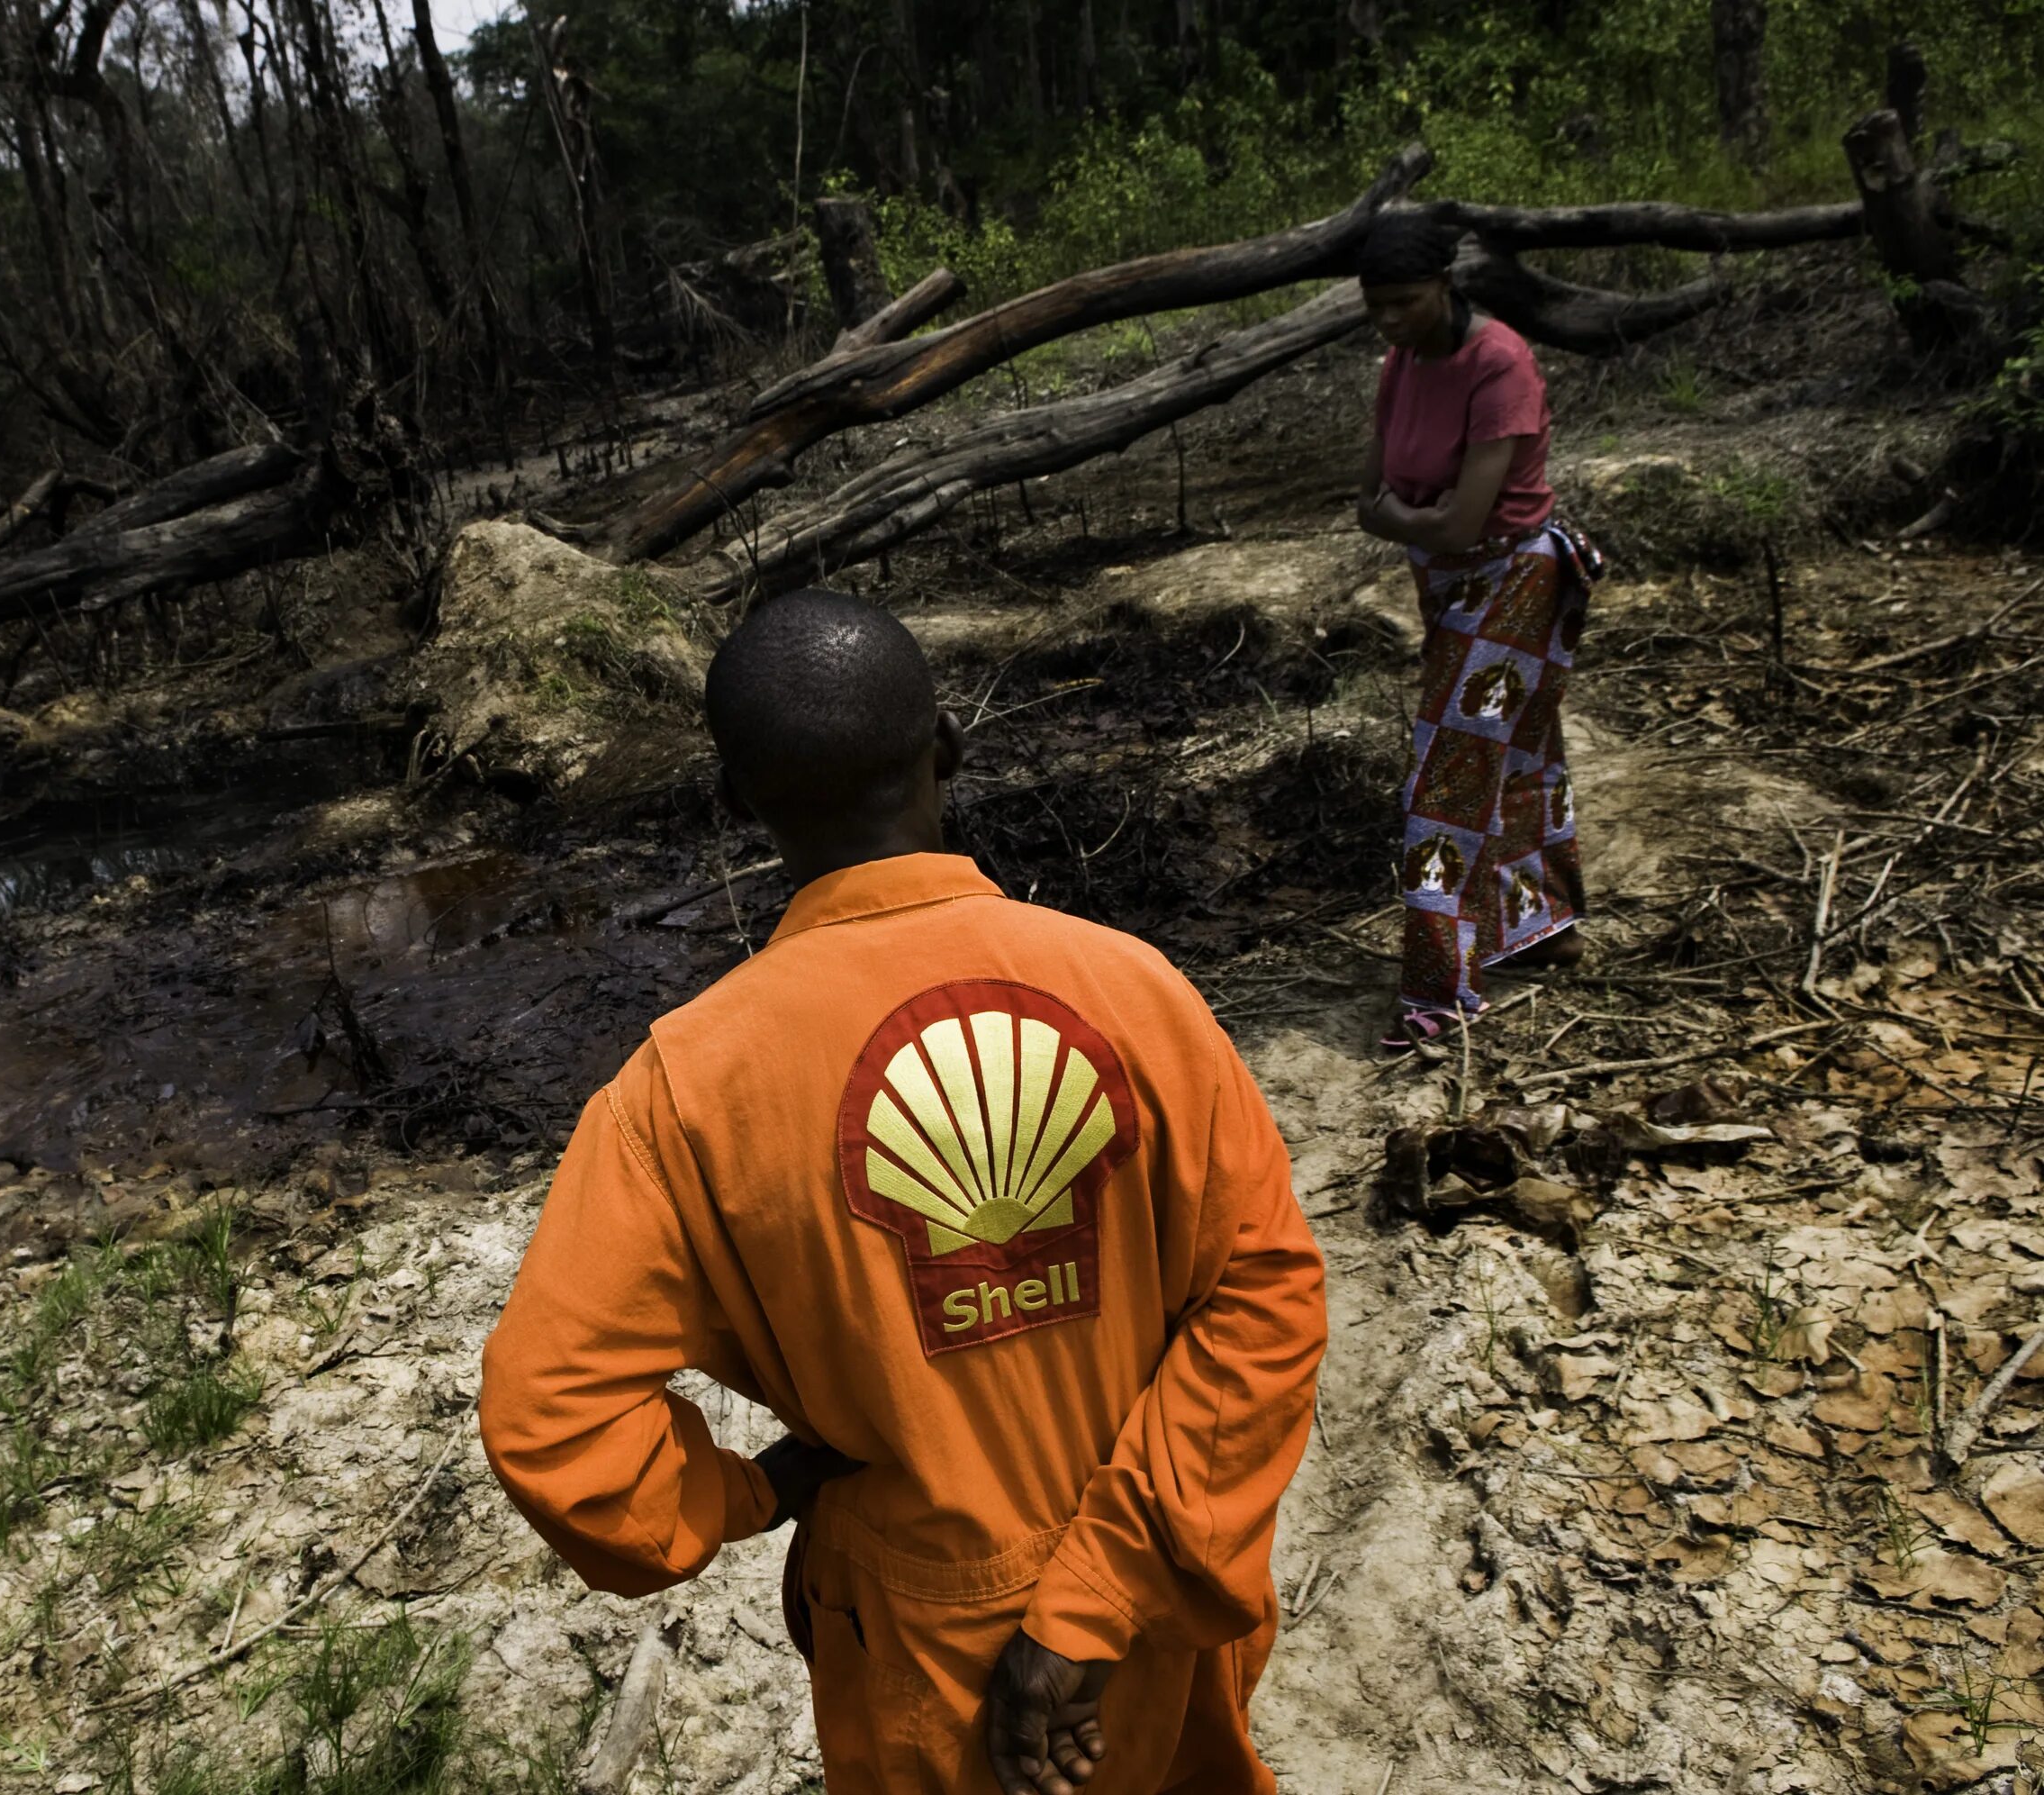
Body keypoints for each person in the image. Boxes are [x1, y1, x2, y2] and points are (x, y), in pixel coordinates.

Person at [479, 590, 1327, 1795]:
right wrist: (1096, 1601)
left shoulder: (683, 1088)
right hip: (1159, 1596)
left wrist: (746, 1489)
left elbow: (550, 1421)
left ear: (740, 805)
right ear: (945, 752)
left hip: (928, 1650)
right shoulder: (1137, 993)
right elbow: (1266, 1298)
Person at [1352, 209, 1604, 1050]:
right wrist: (1412, 520)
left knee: (1447, 779)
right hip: (1449, 586)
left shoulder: (1499, 361)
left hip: (1515, 578)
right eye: (1375, 304)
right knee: (1521, 752)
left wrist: (1406, 518)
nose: (1389, 320)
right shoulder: (1401, 360)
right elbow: (1372, 497)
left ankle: (1440, 989)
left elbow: (1463, 522)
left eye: (1405, 301)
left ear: (1445, 283)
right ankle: (1543, 925)